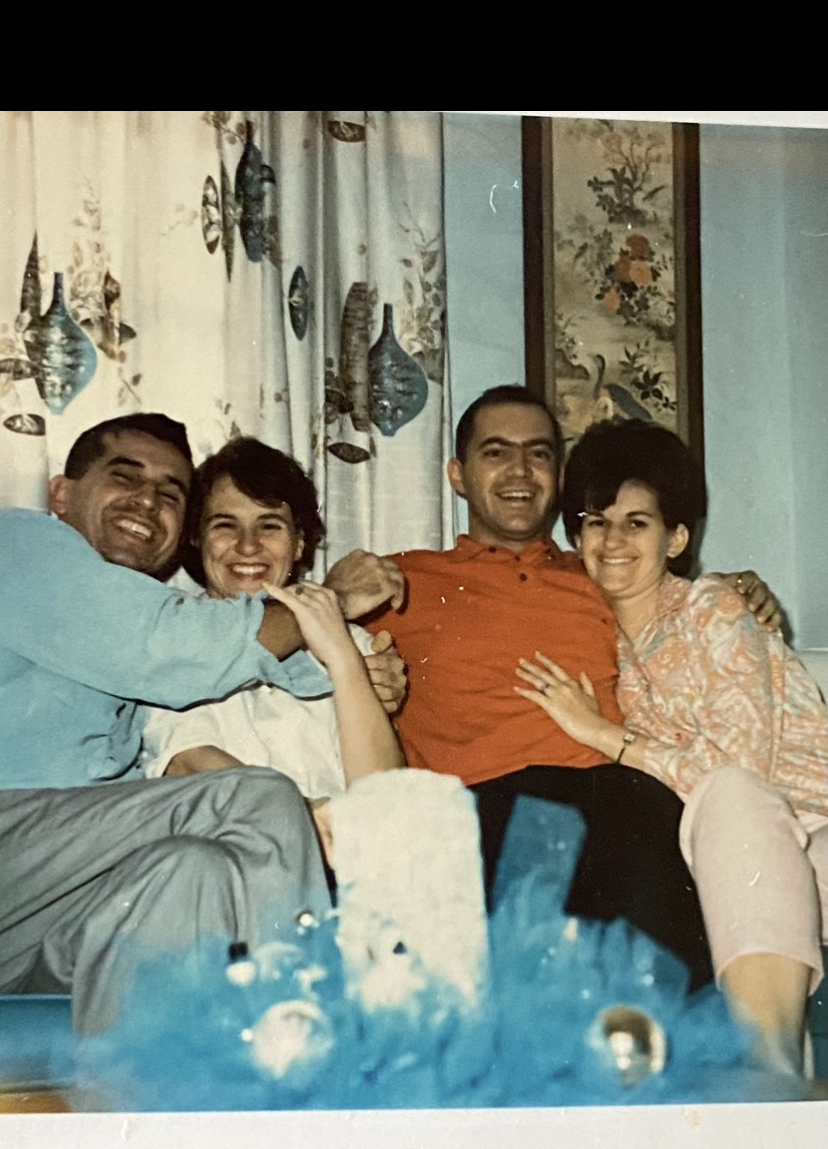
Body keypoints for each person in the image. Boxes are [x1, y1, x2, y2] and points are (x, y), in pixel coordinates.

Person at [363, 385, 781, 987]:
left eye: (538, 454)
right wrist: (342, 594)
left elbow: (681, 616)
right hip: (481, 810)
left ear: (558, 476)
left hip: (620, 802)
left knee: (646, 825)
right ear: (456, 474)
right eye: (495, 452)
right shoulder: (400, 579)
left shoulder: (601, 572)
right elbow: (287, 642)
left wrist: (740, 589)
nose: (519, 471)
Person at [0, 414, 405, 1032]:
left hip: (50, 907)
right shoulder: (20, 546)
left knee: (193, 870)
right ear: (61, 494)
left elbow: (257, 663)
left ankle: (145, 1106)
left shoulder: (140, 611)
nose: (147, 501)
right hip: (15, 840)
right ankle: (303, 1045)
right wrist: (331, 602)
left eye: (169, 493)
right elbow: (169, 653)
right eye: (125, 478)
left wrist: (353, 663)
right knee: (260, 797)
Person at [514, 417, 827, 1075]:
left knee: (733, 794)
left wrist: (607, 736)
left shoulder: (713, 607)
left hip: (813, 832)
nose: (613, 540)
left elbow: (742, 770)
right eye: (596, 521)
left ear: (677, 537)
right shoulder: (599, 651)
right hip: (736, 858)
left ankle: (771, 1072)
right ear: (575, 536)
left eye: (638, 522)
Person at [141, 438, 404, 865]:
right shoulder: (174, 634)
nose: (248, 546)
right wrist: (301, 818)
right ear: (197, 538)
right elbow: (188, 761)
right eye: (225, 525)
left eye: (269, 525)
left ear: (300, 543)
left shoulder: (347, 636)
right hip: (233, 859)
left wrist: (344, 659)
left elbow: (383, 790)